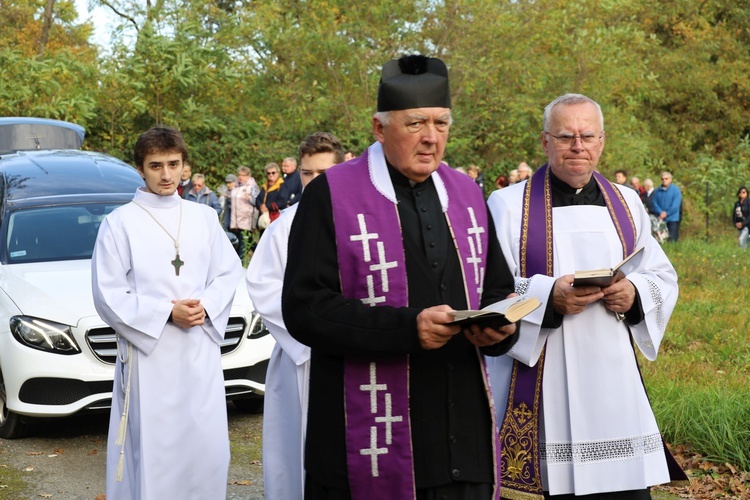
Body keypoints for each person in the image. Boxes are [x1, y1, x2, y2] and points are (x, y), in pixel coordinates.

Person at [281, 54, 518, 500]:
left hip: (462, 439)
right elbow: (304, 307)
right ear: (379, 127)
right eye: (416, 124)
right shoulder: (331, 195)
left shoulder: (468, 194)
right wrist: (407, 328)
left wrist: (500, 329)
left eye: (442, 124)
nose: (432, 138)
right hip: (368, 436)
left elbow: (498, 288)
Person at [486, 93, 688, 499]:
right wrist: (548, 299)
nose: (577, 146)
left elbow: (661, 275)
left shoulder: (628, 203)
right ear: (545, 142)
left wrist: (632, 294)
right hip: (541, 379)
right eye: (565, 136)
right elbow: (488, 293)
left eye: (587, 135)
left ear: (602, 141)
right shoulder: (506, 206)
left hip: (614, 380)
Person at [91, 126, 243, 499]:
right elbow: (107, 293)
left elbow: (227, 271)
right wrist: (164, 312)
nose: (166, 174)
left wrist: (204, 306)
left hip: (199, 350)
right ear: (140, 169)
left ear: (184, 165)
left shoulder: (203, 218)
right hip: (151, 358)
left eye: (173, 164)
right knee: (156, 451)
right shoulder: (120, 222)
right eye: (155, 165)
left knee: (206, 446)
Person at [246, 131, 345, 500]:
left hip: (356, 351)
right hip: (300, 356)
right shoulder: (284, 226)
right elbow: (263, 287)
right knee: (296, 451)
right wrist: (310, 337)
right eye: (307, 174)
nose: (314, 181)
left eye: (322, 173)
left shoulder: (362, 220)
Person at [228, 165, 260, 259]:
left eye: (243, 175)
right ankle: (262, 255)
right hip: (235, 221)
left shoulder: (252, 187)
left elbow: (258, 201)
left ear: (249, 176)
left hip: (246, 220)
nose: (241, 177)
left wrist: (250, 198)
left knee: (242, 248)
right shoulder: (236, 186)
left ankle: (240, 265)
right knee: (249, 243)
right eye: (239, 175)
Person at [652, 171, 682, 242]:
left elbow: (675, 205)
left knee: (671, 239)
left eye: (666, 179)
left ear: (670, 179)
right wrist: (660, 212)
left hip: (672, 219)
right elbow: (654, 202)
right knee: (660, 239)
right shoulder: (657, 191)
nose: (664, 180)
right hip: (660, 219)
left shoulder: (676, 191)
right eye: (662, 179)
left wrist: (666, 213)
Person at [256, 162, 284, 230]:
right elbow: (258, 199)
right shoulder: (264, 186)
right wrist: (260, 206)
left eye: (273, 173)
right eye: (268, 173)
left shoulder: (282, 185)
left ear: (278, 173)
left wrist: (268, 207)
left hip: (276, 217)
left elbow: (282, 201)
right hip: (264, 217)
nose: (271, 175)